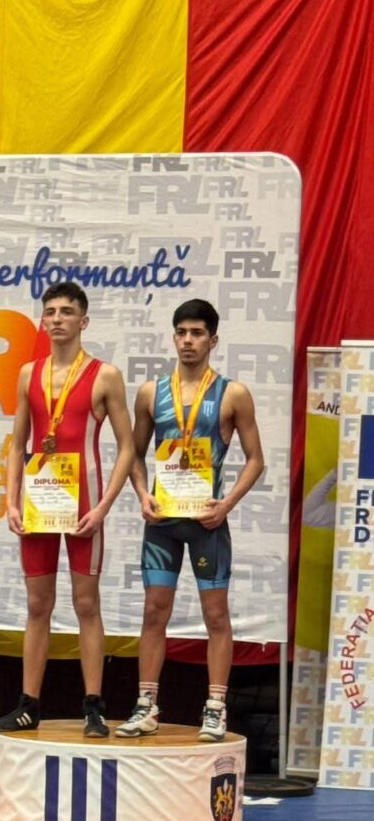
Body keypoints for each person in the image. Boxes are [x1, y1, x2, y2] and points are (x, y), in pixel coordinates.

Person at [117, 298, 265, 742]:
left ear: (212, 340)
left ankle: (215, 707)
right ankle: (146, 705)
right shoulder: (151, 393)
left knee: (215, 614)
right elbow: (132, 453)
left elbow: (256, 460)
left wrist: (226, 505)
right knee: (154, 610)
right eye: (182, 332)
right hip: (163, 521)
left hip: (206, 523)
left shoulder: (232, 394)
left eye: (197, 333)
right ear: (173, 337)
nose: (188, 341)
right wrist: (142, 494)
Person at [0, 282, 134, 737]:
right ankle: (28, 704)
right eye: (51, 311)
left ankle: (93, 706)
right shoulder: (28, 373)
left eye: (67, 312)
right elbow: (17, 444)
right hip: (40, 500)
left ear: (83, 320)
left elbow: (127, 446)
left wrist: (104, 507)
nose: (57, 319)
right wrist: (11, 500)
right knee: (38, 604)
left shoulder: (105, 375)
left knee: (85, 603)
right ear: (43, 320)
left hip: (83, 503)